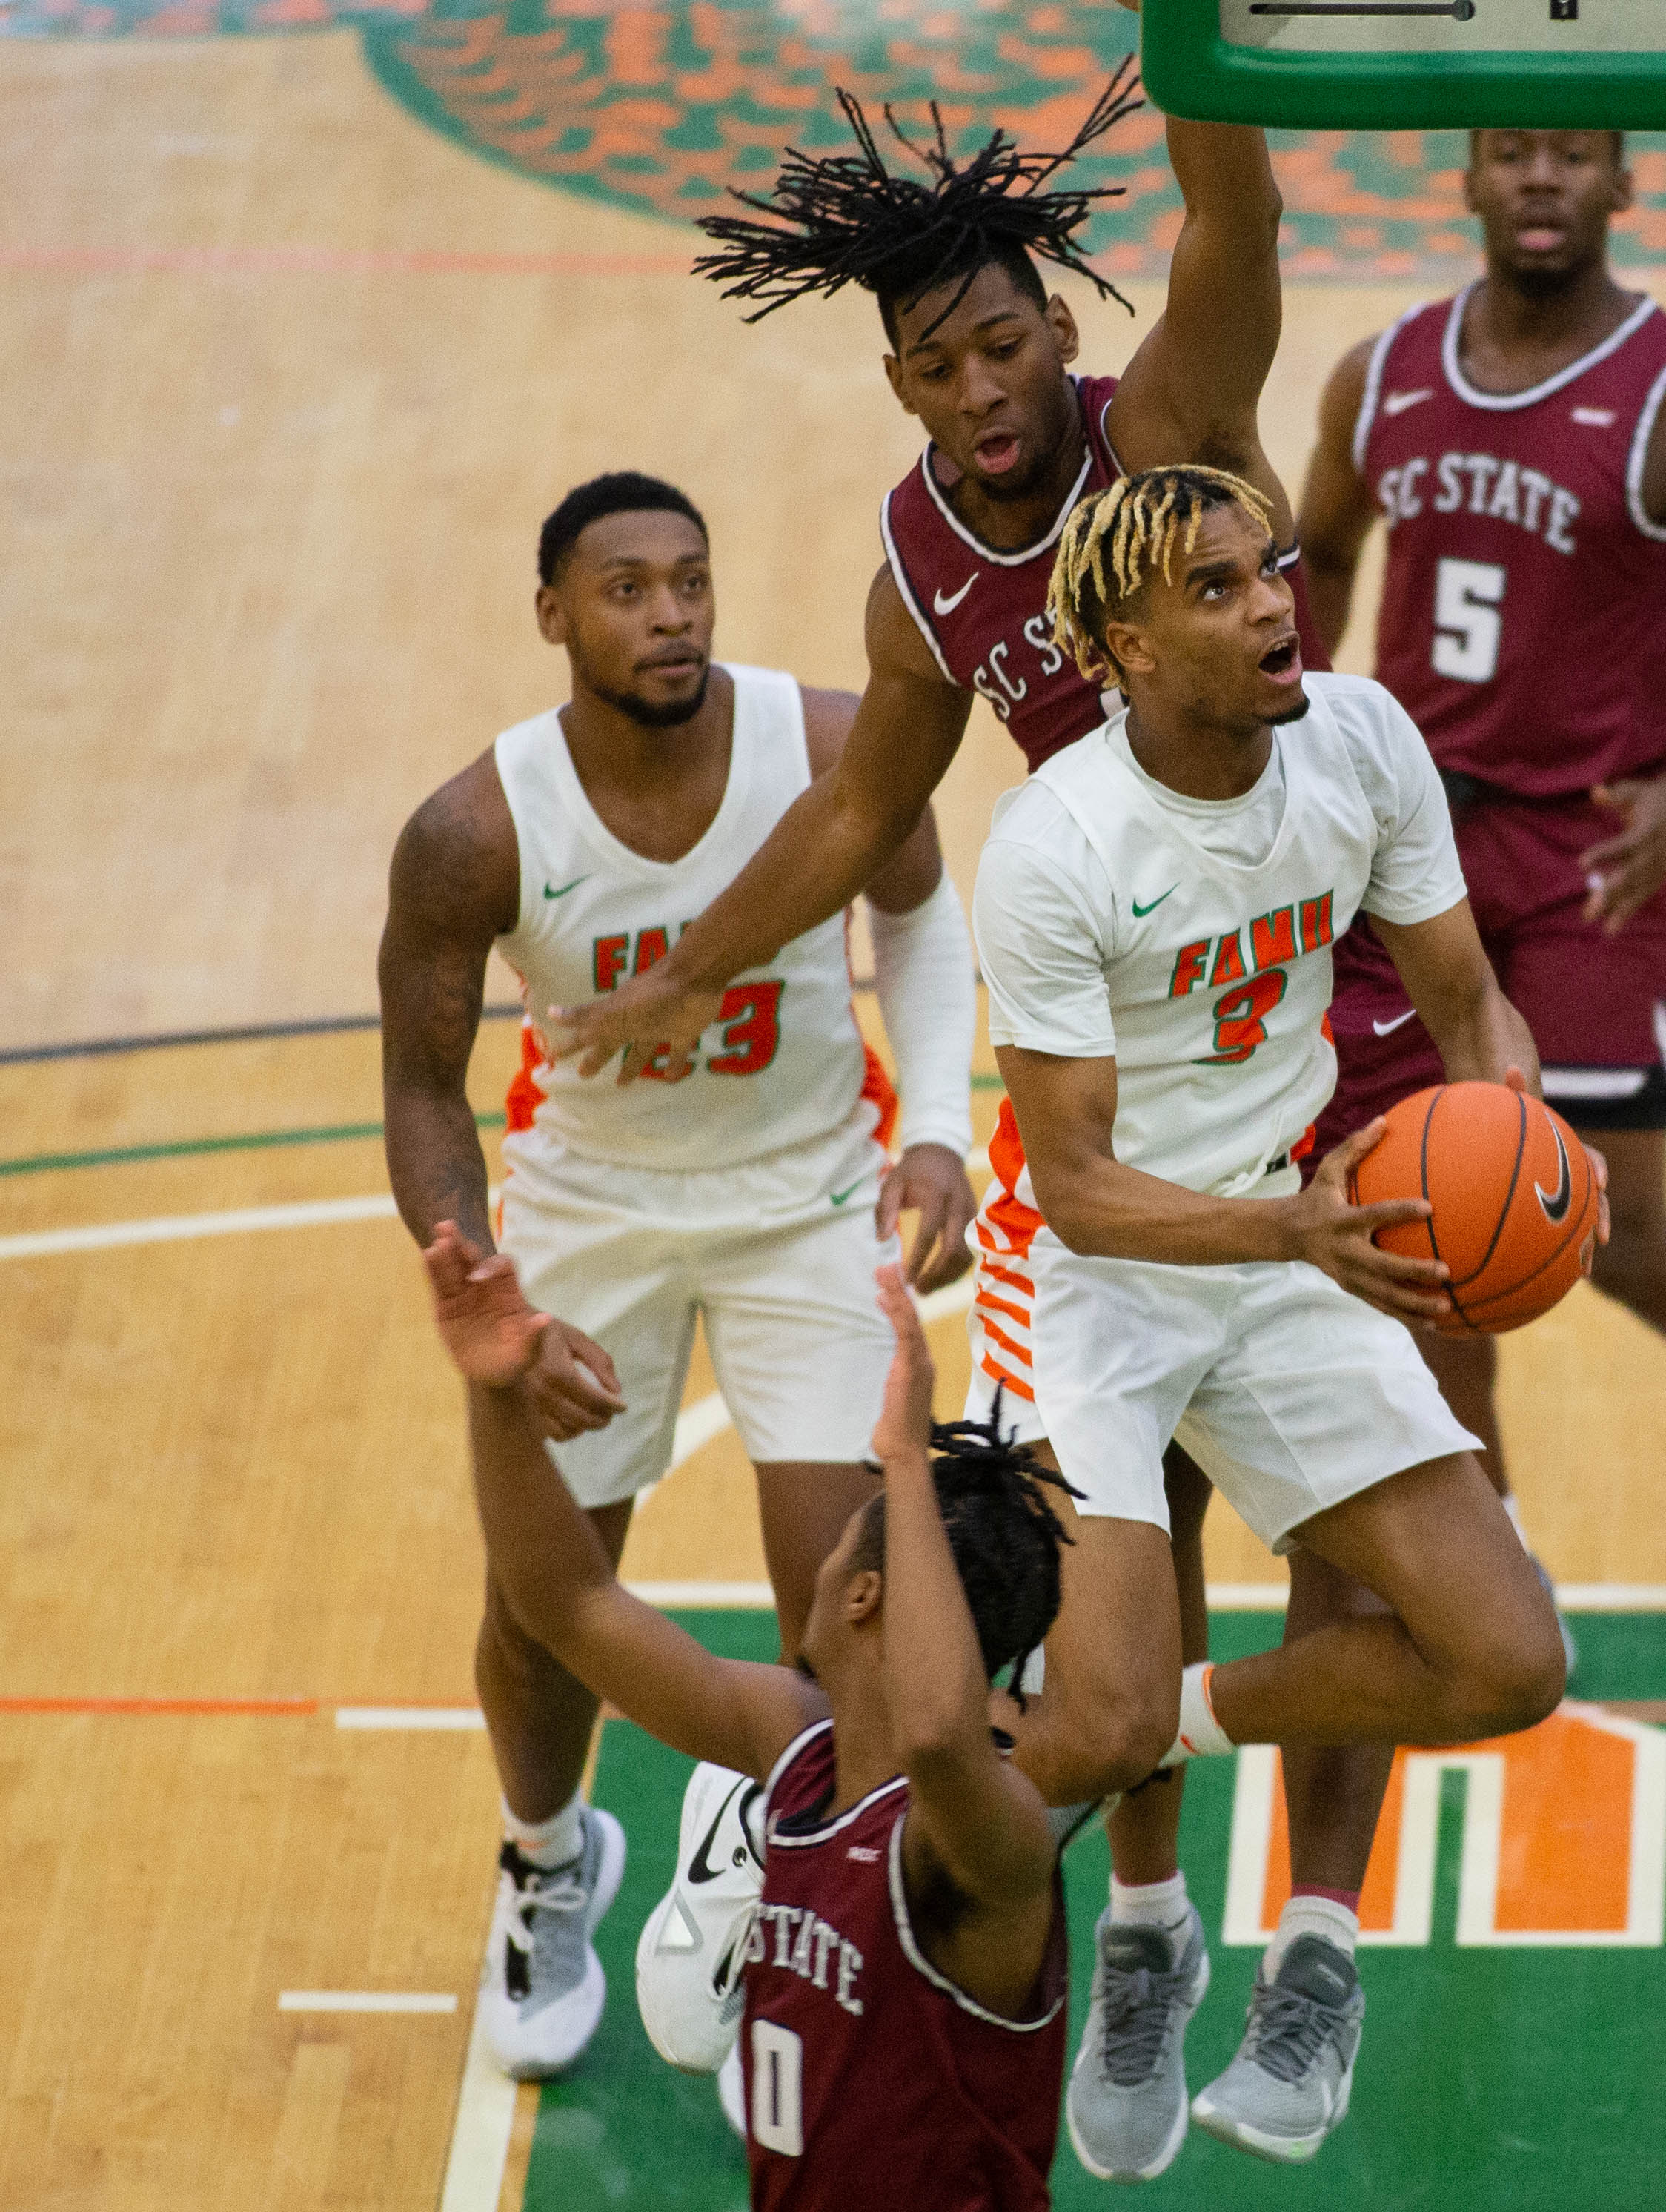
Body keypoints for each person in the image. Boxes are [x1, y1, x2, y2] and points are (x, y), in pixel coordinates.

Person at [520, 79, 1401, 2139]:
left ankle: (1321, 1943)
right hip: (1127, 1051)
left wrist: (1207, 50)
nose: (980, 387)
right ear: (899, 384)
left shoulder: (1164, 430)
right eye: (935, 363)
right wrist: (683, 960)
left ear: (1058, 336)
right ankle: (1151, 1934)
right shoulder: (921, 569)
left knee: (1352, 1522)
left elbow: (1233, 218)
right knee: (1126, 1525)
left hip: (1333, 996)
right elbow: (858, 806)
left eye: (1005, 342)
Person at [975, 461, 1575, 2165]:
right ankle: (1106, 1928)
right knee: (1077, 1712)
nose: (1274, 608)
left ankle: (1203, 1784)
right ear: (1123, 645)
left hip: (1287, 1240)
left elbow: (1468, 1003)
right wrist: (1290, 1232)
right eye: (1224, 591)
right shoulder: (1057, 845)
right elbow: (1078, 1183)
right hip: (1092, 1285)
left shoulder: (1361, 740)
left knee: (1507, 1656)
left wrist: (1517, 1164)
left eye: (1275, 570)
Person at [376, 471, 976, 2081]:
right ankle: (546, 1852)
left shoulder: (829, 742)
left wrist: (940, 1125)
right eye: (629, 589)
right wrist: (479, 1269)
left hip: (808, 1192)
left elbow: (919, 911)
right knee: (538, 1601)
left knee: (848, 1606)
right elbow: (424, 1086)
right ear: (555, 615)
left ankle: (781, 1899)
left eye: (692, 582)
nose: (671, 615)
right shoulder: (475, 828)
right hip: (591, 1208)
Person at [1294, 127, 1666, 1639]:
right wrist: (1301, 732)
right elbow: (1318, 555)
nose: (1541, 180)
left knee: (1612, 1219)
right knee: (1425, 1211)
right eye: (1513, 154)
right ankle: (1500, 1536)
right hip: (1407, 845)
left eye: (1572, 158)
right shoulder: (1381, 374)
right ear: (1463, 177)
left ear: (1623, 184)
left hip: (1593, 849)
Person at [422, 1228, 1075, 2210]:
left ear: (861, 1596)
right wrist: (494, 1393)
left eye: (849, 1546)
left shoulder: (992, 1834)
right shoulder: (799, 1748)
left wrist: (903, 1464)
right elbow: (567, 1604)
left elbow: (938, 1733)